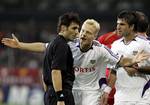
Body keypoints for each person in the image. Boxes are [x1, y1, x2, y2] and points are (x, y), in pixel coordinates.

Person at [2, 18, 149, 105]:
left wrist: (133, 60)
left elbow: (120, 61)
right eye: (83, 30)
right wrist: (20, 45)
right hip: (71, 91)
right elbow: (44, 47)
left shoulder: (101, 49)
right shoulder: (68, 44)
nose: (83, 34)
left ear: (95, 36)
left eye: (88, 32)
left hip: (91, 93)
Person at [107, 10, 150, 105]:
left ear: (131, 27)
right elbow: (113, 70)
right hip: (121, 97)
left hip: (142, 97)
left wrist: (139, 69)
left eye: (122, 24)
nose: (118, 27)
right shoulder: (115, 45)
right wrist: (107, 91)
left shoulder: (146, 44)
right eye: (117, 23)